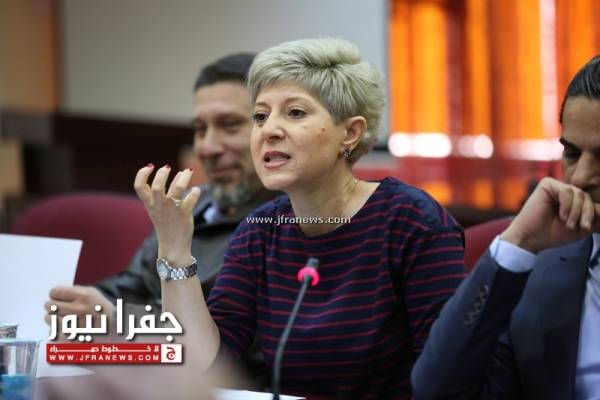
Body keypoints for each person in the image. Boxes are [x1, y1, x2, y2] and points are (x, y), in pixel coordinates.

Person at [134, 37, 466, 399]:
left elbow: (448, 375)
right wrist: (174, 248)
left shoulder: (412, 222)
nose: (269, 130)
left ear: (350, 133)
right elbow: (204, 365)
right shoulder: (260, 231)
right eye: (260, 116)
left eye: (295, 113)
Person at [44, 54, 276, 378]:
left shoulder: (290, 222)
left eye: (230, 125)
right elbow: (132, 287)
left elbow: (226, 348)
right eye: (200, 129)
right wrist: (88, 305)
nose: (208, 147)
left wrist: (119, 321)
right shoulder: (189, 205)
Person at [411, 56, 600, 400]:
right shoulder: (540, 269)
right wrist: (519, 242)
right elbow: (437, 389)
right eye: (572, 155)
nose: (581, 178)